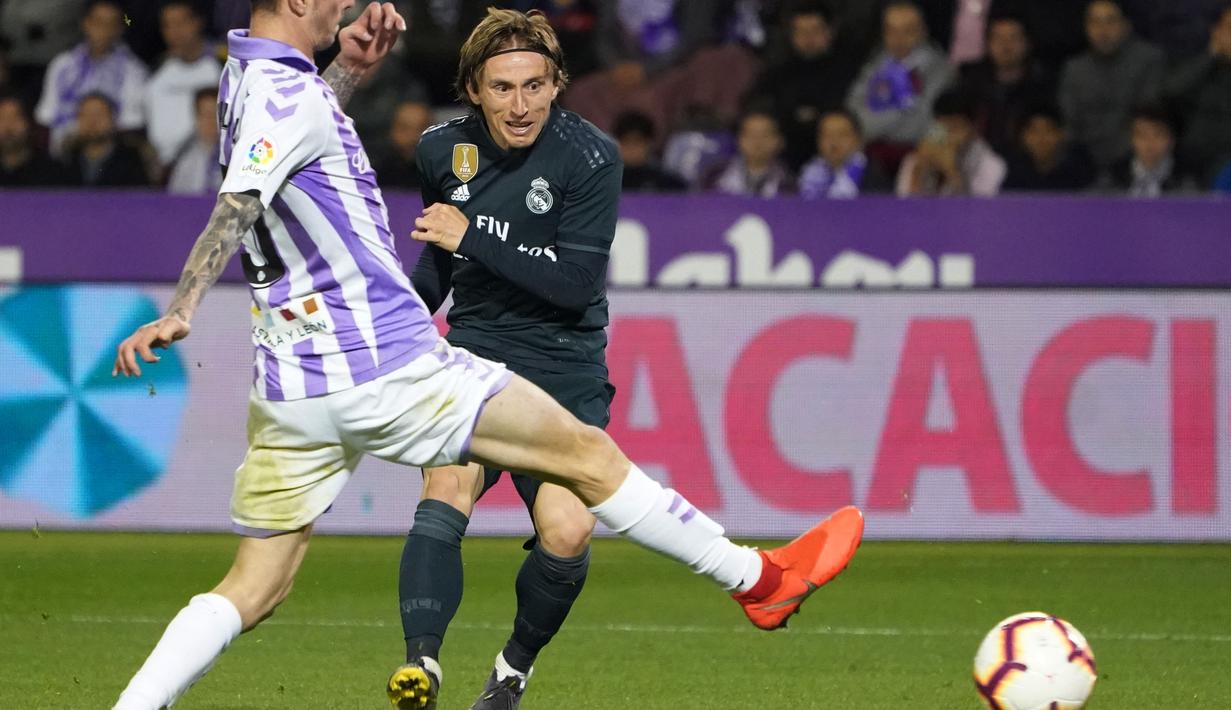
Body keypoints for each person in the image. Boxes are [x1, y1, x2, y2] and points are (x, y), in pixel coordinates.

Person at [107, 4, 865, 709]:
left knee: (255, 585)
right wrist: (182, 306)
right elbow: (240, 200)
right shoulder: (296, 98)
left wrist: (348, 70)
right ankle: (758, 579)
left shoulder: (247, 75)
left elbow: (286, 141)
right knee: (588, 456)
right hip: (380, 363)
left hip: (290, 385)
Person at [845, 0, 955, 174]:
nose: (898, 39)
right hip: (871, 155)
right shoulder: (875, 64)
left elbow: (925, 124)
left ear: (923, 32)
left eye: (907, 31)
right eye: (892, 31)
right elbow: (853, 113)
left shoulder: (940, 71)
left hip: (920, 156)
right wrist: (903, 110)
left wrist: (875, 125)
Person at [1058, 0, 1164, 170]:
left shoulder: (1148, 61)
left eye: (1110, 21)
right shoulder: (1074, 69)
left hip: (1134, 156)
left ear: (1126, 26)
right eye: (1095, 22)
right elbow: (1070, 123)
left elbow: (1148, 113)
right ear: (1086, 28)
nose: (1103, 30)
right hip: (1085, 158)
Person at [754, 0, 861, 170]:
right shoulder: (779, 72)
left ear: (830, 31)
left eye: (815, 31)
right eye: (801, 32)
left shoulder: (850, 69)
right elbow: (761, 105)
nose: (808, 38)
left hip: (836, 156)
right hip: (785, 156)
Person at [34, 0, 149, 158]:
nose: (104, 31)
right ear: (86, 23)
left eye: (111, 24)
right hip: (63, 157)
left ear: (120, 29)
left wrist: (90, 136)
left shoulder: (134, 71)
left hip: (109, 156)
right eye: (98, 22)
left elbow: (131, 126)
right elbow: (45, 119)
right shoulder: (62, 65)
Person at [956, 13, 1053, 158]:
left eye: (1014, 38)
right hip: (975, 160)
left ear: (1027, 43)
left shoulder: (1042, 84)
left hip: (1026, 162)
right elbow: (945, 119)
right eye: (998, 38)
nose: (1006, 45)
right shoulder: (970, 79)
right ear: (988, 44)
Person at [143, 1, 223, 166]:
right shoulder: (156, 68)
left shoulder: (222, 64)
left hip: (213, 164)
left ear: (198, 23)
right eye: (168, 25)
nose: (175, 32)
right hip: (163, 168)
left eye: (181, 23)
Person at [1164, 4, 1231, 184]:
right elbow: (1171, 92)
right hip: (1198, 160)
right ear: (1216, 31)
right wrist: (1212, 54)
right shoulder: (1198, 63)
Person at [896, 88, 1007, 197]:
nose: (948, 135)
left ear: (974, 127)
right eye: (942, 127)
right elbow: (906, 208)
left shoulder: (991, 165)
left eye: (955, 128)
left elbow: (976, 210)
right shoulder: (915, 160)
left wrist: (950, 171)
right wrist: (919, 171)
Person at [1100, 104, 1197, 196]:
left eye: (1158, 135)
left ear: (1171, 140)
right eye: (1142, 135)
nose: (1149, 143)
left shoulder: (1187, 179)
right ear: (1132, 139)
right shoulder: (1113, 177)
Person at [64, 92, 153, 188]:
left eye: (99, 115)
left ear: (113, 120)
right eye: (85, 115)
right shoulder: (66, 160)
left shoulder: (131, 160)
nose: (92, 122)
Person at [798, 109, 892, 199]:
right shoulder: (808, 174)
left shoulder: (873, 176)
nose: (834, 142)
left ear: (858, 140)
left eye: (842, 134)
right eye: (827, 135)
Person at [1002, 104, 1096, 192]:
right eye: (1033, 131)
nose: (1041, 139)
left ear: (1061, 134)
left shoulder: (1080, 171)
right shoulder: (1007, 172)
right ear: (1022, 136)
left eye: (1048, 130)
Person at [704, 109, 795, 197]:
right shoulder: (714, 175)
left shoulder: (788, 182)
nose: (757, 141)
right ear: (738, 139)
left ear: (779, 141)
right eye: (750, 134)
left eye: (765, 135)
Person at [0, 93, 70, 186]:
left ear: (28, 123)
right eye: (2, 118)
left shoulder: (51, 171)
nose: (8, 126)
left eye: (15, 117)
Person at [166, 87, 223, 195]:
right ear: (197, 118)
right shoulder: (186, 161)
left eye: (216, 115)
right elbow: (173, 202)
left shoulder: (241, 158)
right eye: (206, 115)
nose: (211, 121)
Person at [613, 109, 687, 192]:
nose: (631, 148)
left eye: (637, 142)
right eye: (625, 142)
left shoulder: (670, 184)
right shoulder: (605, 183)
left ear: (650, 144)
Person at [372, 98, 433, 190]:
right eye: (404, 128)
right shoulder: (373, 175)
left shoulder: (444, 176)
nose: (413, 136)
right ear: (391, 130)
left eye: (421, 128)